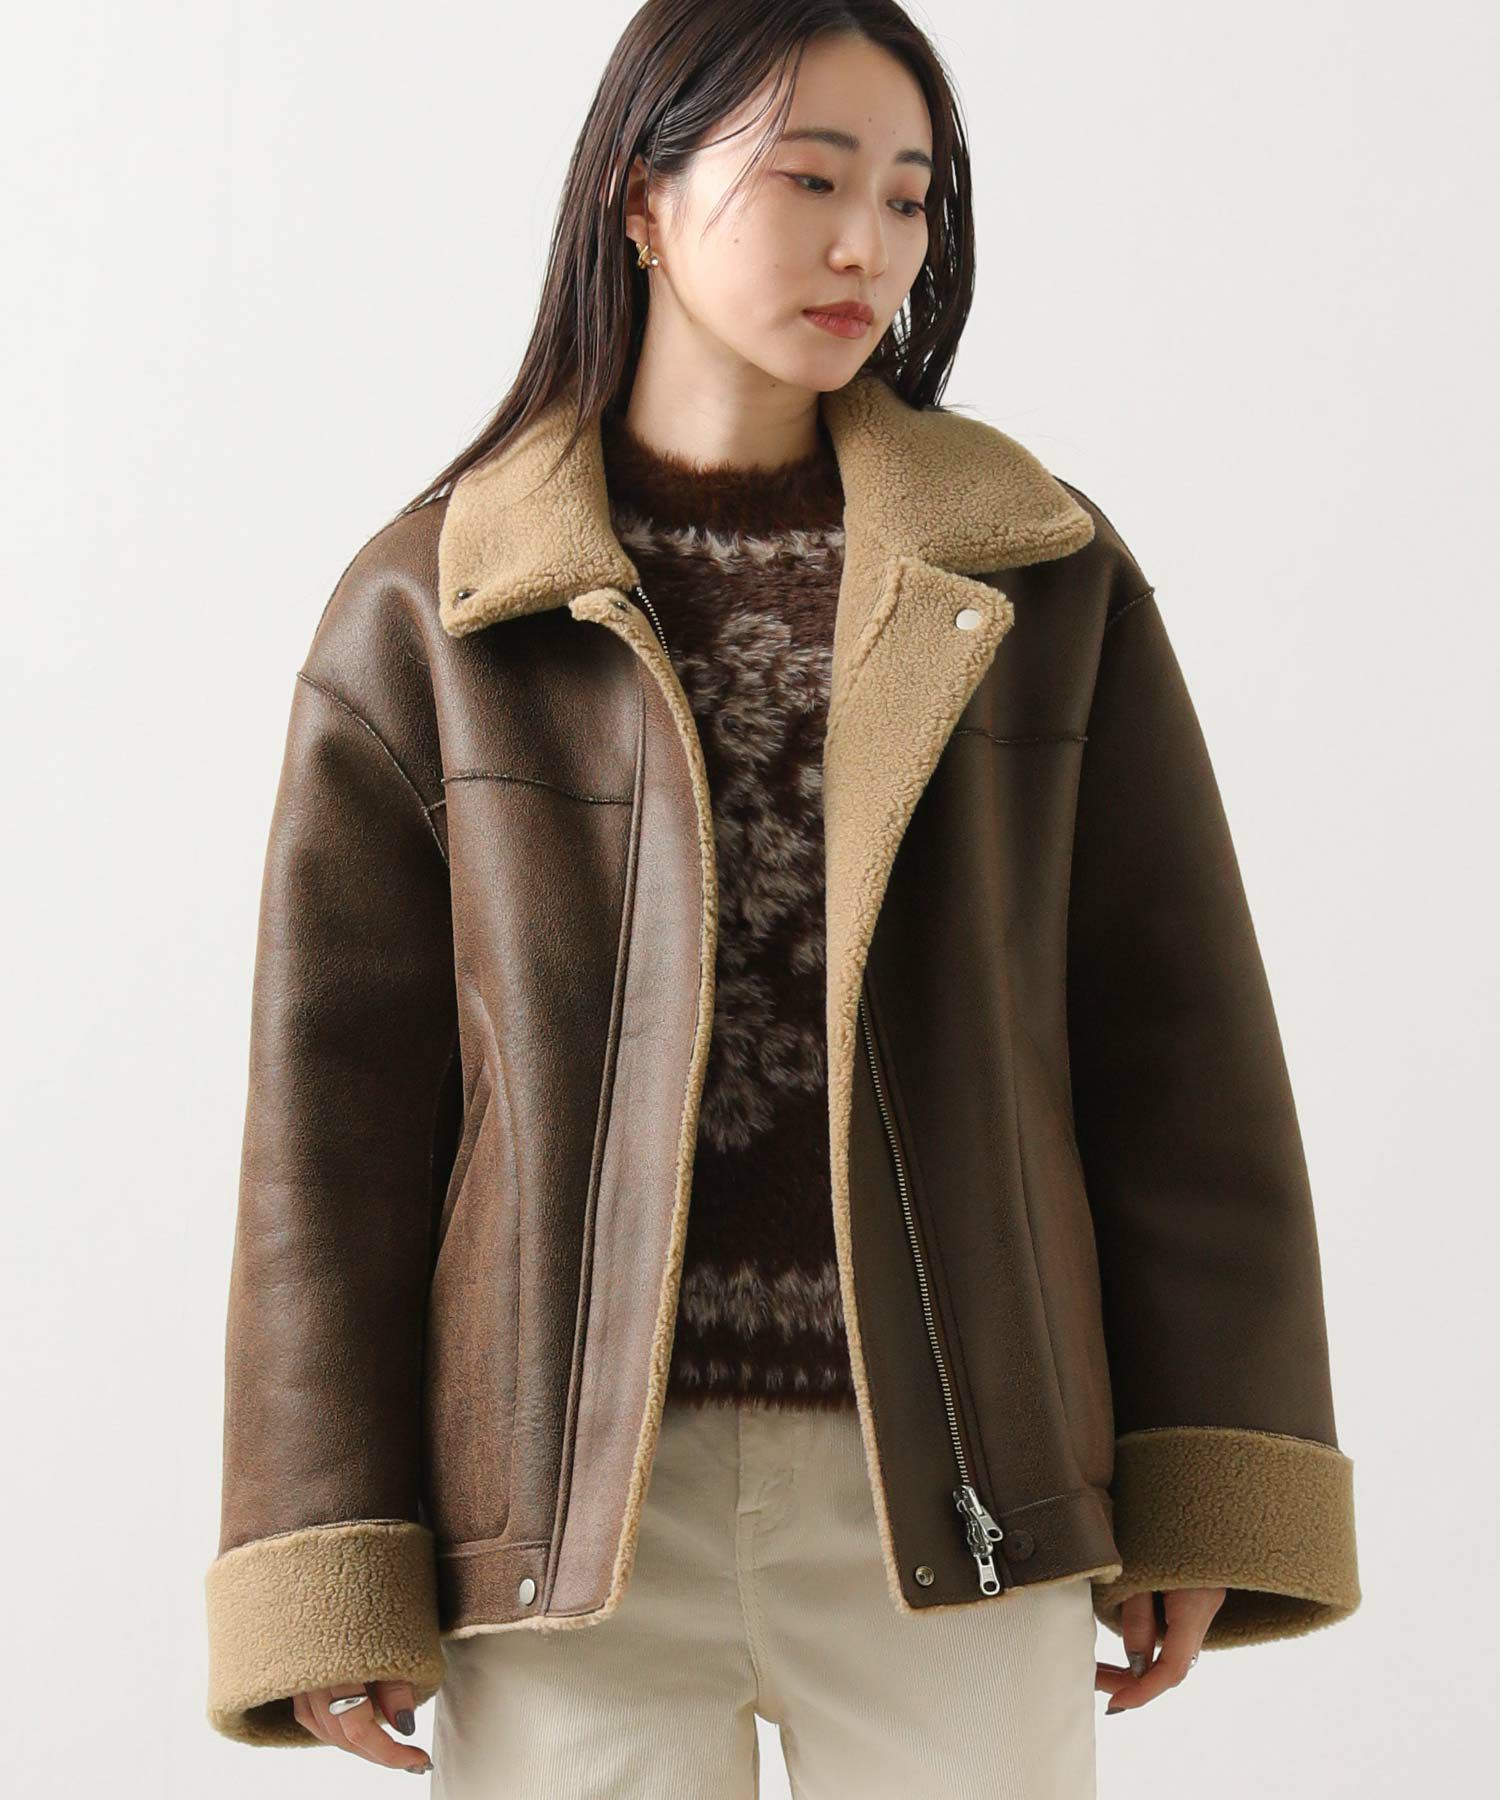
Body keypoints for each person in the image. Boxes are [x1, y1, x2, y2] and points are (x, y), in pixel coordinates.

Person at [202, 2, 1360, 1793]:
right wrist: (325, 1555)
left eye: (906, 196)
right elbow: (330, 1132)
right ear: (640, 200)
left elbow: (1179, 1050)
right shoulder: (438, 608)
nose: (866, 248)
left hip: (962, 1487)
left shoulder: (1038, 576)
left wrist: (1208, 1471)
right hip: (569, 1519)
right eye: (809, 181)